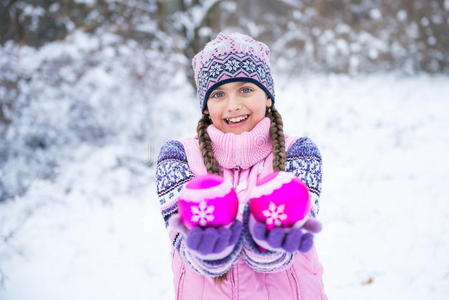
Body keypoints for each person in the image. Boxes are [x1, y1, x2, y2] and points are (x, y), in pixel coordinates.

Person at [156, 32, 327, 300]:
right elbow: (185, 245)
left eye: (245, 89)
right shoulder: (177, 156)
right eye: (219, 94)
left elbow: (288, 244)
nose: (233, 105)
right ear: (205, 106)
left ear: (268, 97)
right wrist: (210, 245)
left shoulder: (300, 152)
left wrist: (270, 239)